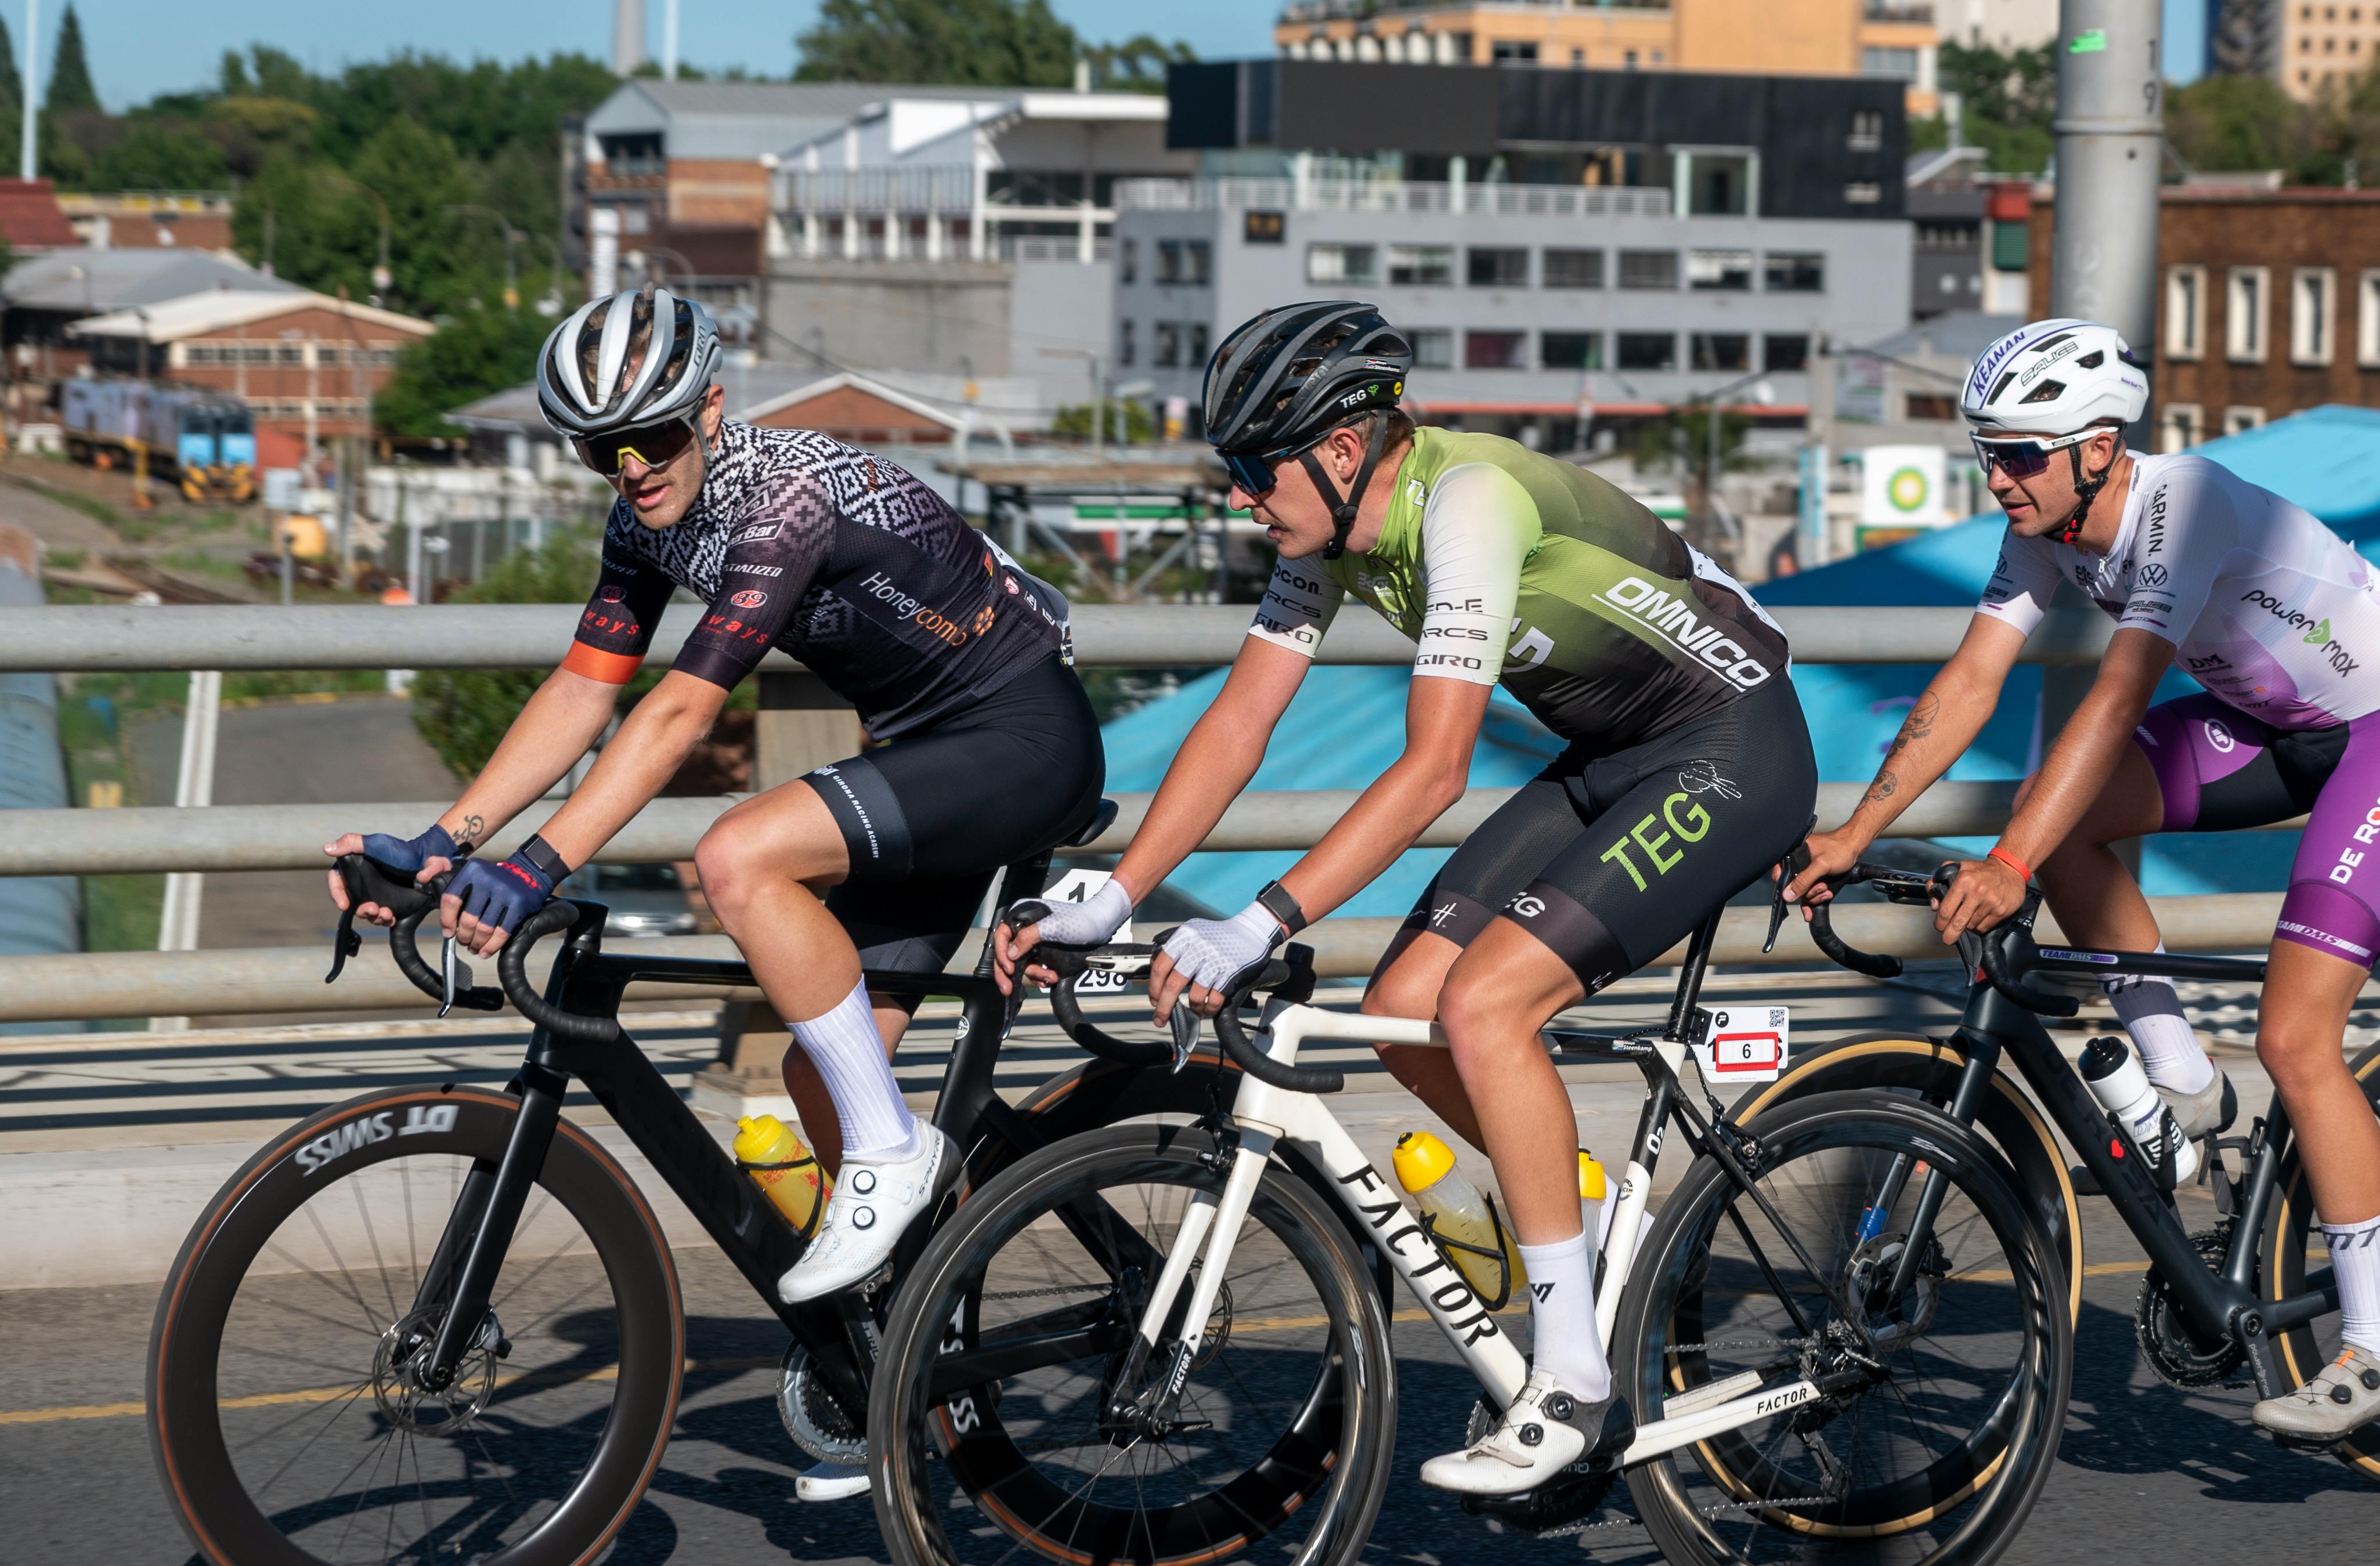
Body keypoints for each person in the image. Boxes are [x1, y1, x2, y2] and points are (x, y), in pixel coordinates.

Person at [1001, 300, 1816, 1499]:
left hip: (1730, 749)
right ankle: (1578, 1253)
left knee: (1486, 1006)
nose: (1237, 496)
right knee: (1405, 1006)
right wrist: (1115, 893)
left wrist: (1262, 917)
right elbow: (1240, 721)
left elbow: (1434, 768)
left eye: (1249, 467)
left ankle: (1574, 1380)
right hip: (1606, 755)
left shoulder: (1468, 504)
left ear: (1337, 451)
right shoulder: (1322, 535)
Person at [327, 288, 1101, 1325]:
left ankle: (892, 1157)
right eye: (602, 452)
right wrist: (444, 839)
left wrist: (535, 868)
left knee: (738, 857)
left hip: (1022, 740)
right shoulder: (645, 523)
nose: (632, 469)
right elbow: (586, 689)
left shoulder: (785, 499)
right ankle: (916, 1348)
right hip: (930, 763)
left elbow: (681, 711)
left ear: (710, 411)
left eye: (650, 438)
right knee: (825, 1069)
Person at [1782, 317, 2380, 1443]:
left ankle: (2379, 1346)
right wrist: (1852, 831)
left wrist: (2006, 865)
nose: (1995, 477)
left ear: (2096, 446)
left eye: (2018, 455)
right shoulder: (2045, 525)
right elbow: (1967, 681)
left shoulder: (2181, 508)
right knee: (2057, 828)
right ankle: (2183, 1084)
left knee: (2298, 1039)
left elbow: (2112, 702)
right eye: (1985, 452)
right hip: (2266, 719)